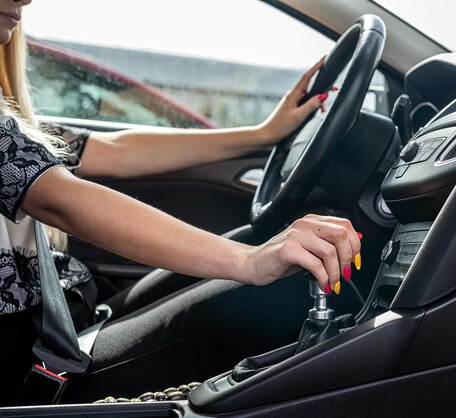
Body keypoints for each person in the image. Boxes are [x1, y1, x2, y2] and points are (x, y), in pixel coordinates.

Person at [0, 0, 361, 405]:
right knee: (281, 290)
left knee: (257, 244)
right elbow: (59, 198)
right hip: (32, 356)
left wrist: (261, 134)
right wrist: (248, 261)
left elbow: (113, 150)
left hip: (64, 312)